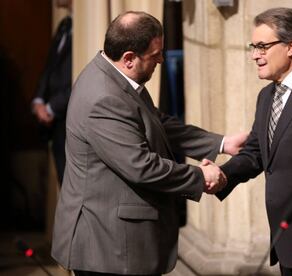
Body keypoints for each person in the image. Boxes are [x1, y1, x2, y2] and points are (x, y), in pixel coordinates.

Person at [51, 11, 246, 276]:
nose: (162, 60)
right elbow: (141, 166)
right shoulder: (104, 98)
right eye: (155, 56)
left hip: (115, 242)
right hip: (107, 247)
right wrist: (201, 175)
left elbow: (155, 122)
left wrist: (221, 143)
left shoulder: (113, 76)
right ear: (129, 58)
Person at [215, 8, 292, 275]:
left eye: (263, 46)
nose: (255, 55)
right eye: (253, 47)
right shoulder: (267, 95)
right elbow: (255, 153)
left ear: (291, 46)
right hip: (284, 236)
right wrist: (221, 174)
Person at [32, 0, 72, 185]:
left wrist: (51, 107)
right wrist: (39, 101)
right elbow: (50, 68)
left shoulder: (86, 27)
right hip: (54, 125)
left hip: (69, 119)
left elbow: (79, 76)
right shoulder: (64, 25)